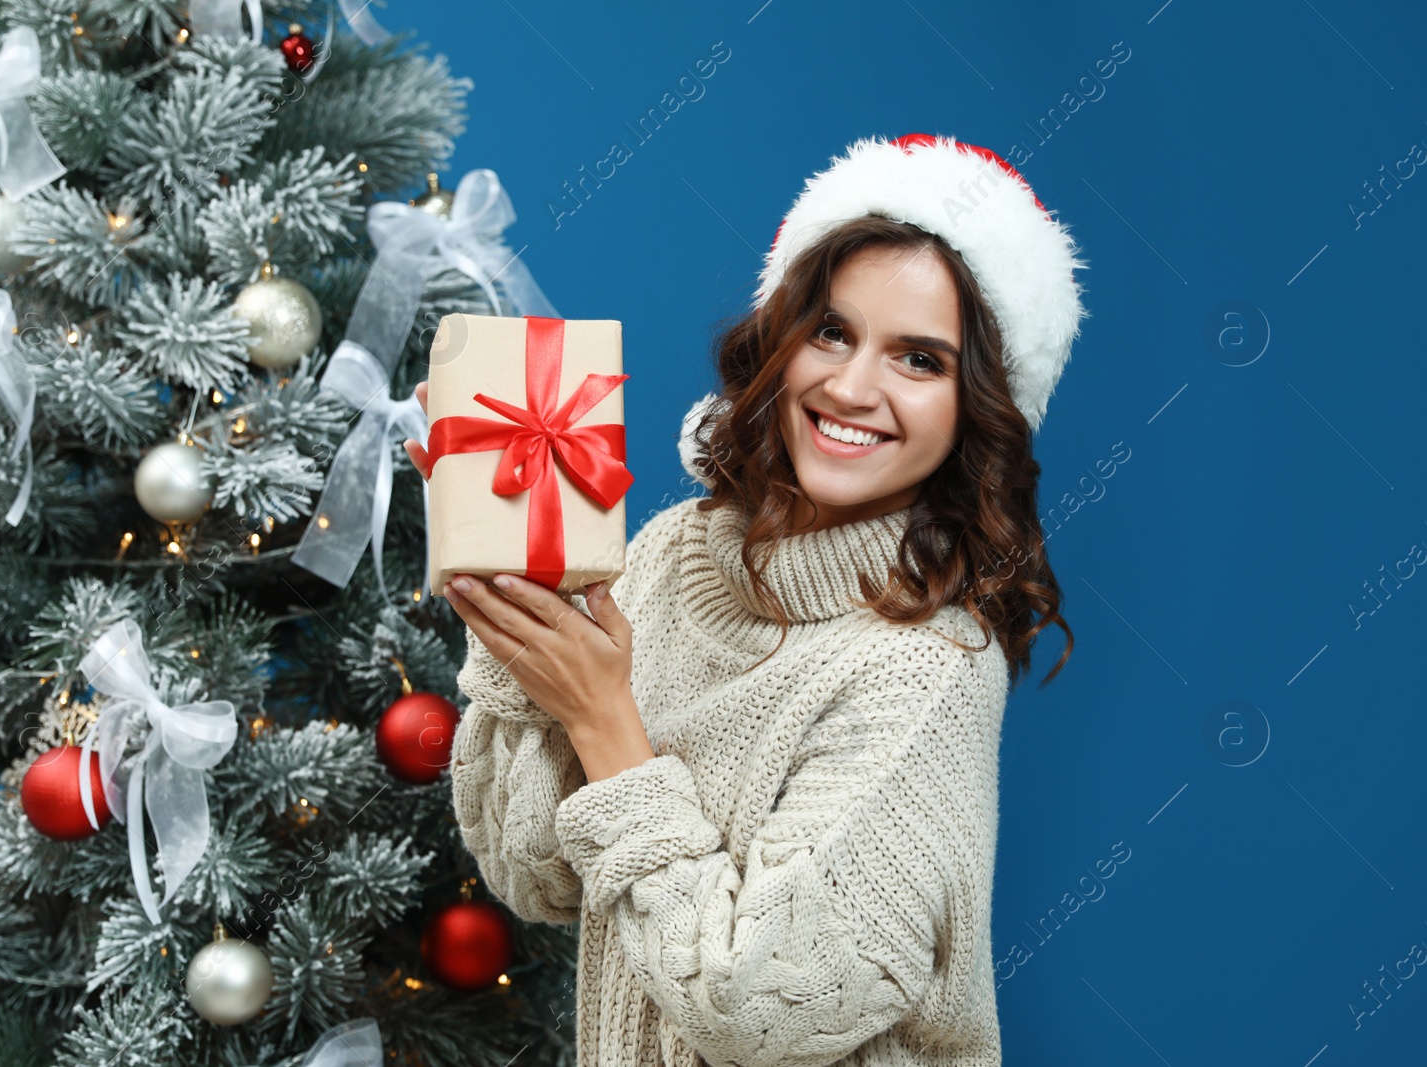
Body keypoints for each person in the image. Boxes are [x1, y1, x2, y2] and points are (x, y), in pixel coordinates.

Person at [402, 132, 1085, 1067]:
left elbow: (761, 1008)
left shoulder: (926, 669)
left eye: (919, 360)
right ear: (781, 337)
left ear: (979, 407)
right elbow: (532, 873)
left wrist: (605, 718)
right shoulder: (671, 555)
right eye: (833, 331)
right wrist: (513, 604)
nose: (852, 386)